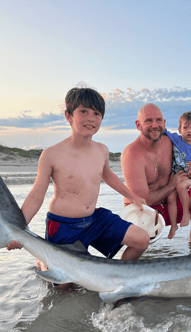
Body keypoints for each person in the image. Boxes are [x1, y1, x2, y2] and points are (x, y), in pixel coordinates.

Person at [7, 87, 150, 266]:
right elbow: (36, 196)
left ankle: (117, 275)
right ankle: (42, 259)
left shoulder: (101, 150)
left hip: (94, 220)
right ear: (69, 116)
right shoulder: (52, 154)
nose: (91, 118)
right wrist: (18, 230)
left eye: (96, 113)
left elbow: (108, 176)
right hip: (63, 226)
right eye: (84, 111)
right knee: (64, 288)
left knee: (142, 239)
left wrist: (133, 197)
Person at [121, 103, 191, 245]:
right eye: (148, 120)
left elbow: (188, 158)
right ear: (138, 125)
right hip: (143, 210)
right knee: (140, 246)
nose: (155, 125)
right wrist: (172, 186)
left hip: (169, 202)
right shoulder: (132, 154)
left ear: (164, 123)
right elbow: (143, 201)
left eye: (159, 120)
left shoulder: (171, 142)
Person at [164, 111, 191, 239]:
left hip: (188, 178)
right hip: (174, 177)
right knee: (171, 198)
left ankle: (187, 213)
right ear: (179, 129)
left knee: (181, 188)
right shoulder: (176, 139)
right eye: (185, 127)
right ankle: (173, 226)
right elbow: (163, 131)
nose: (189, 131)